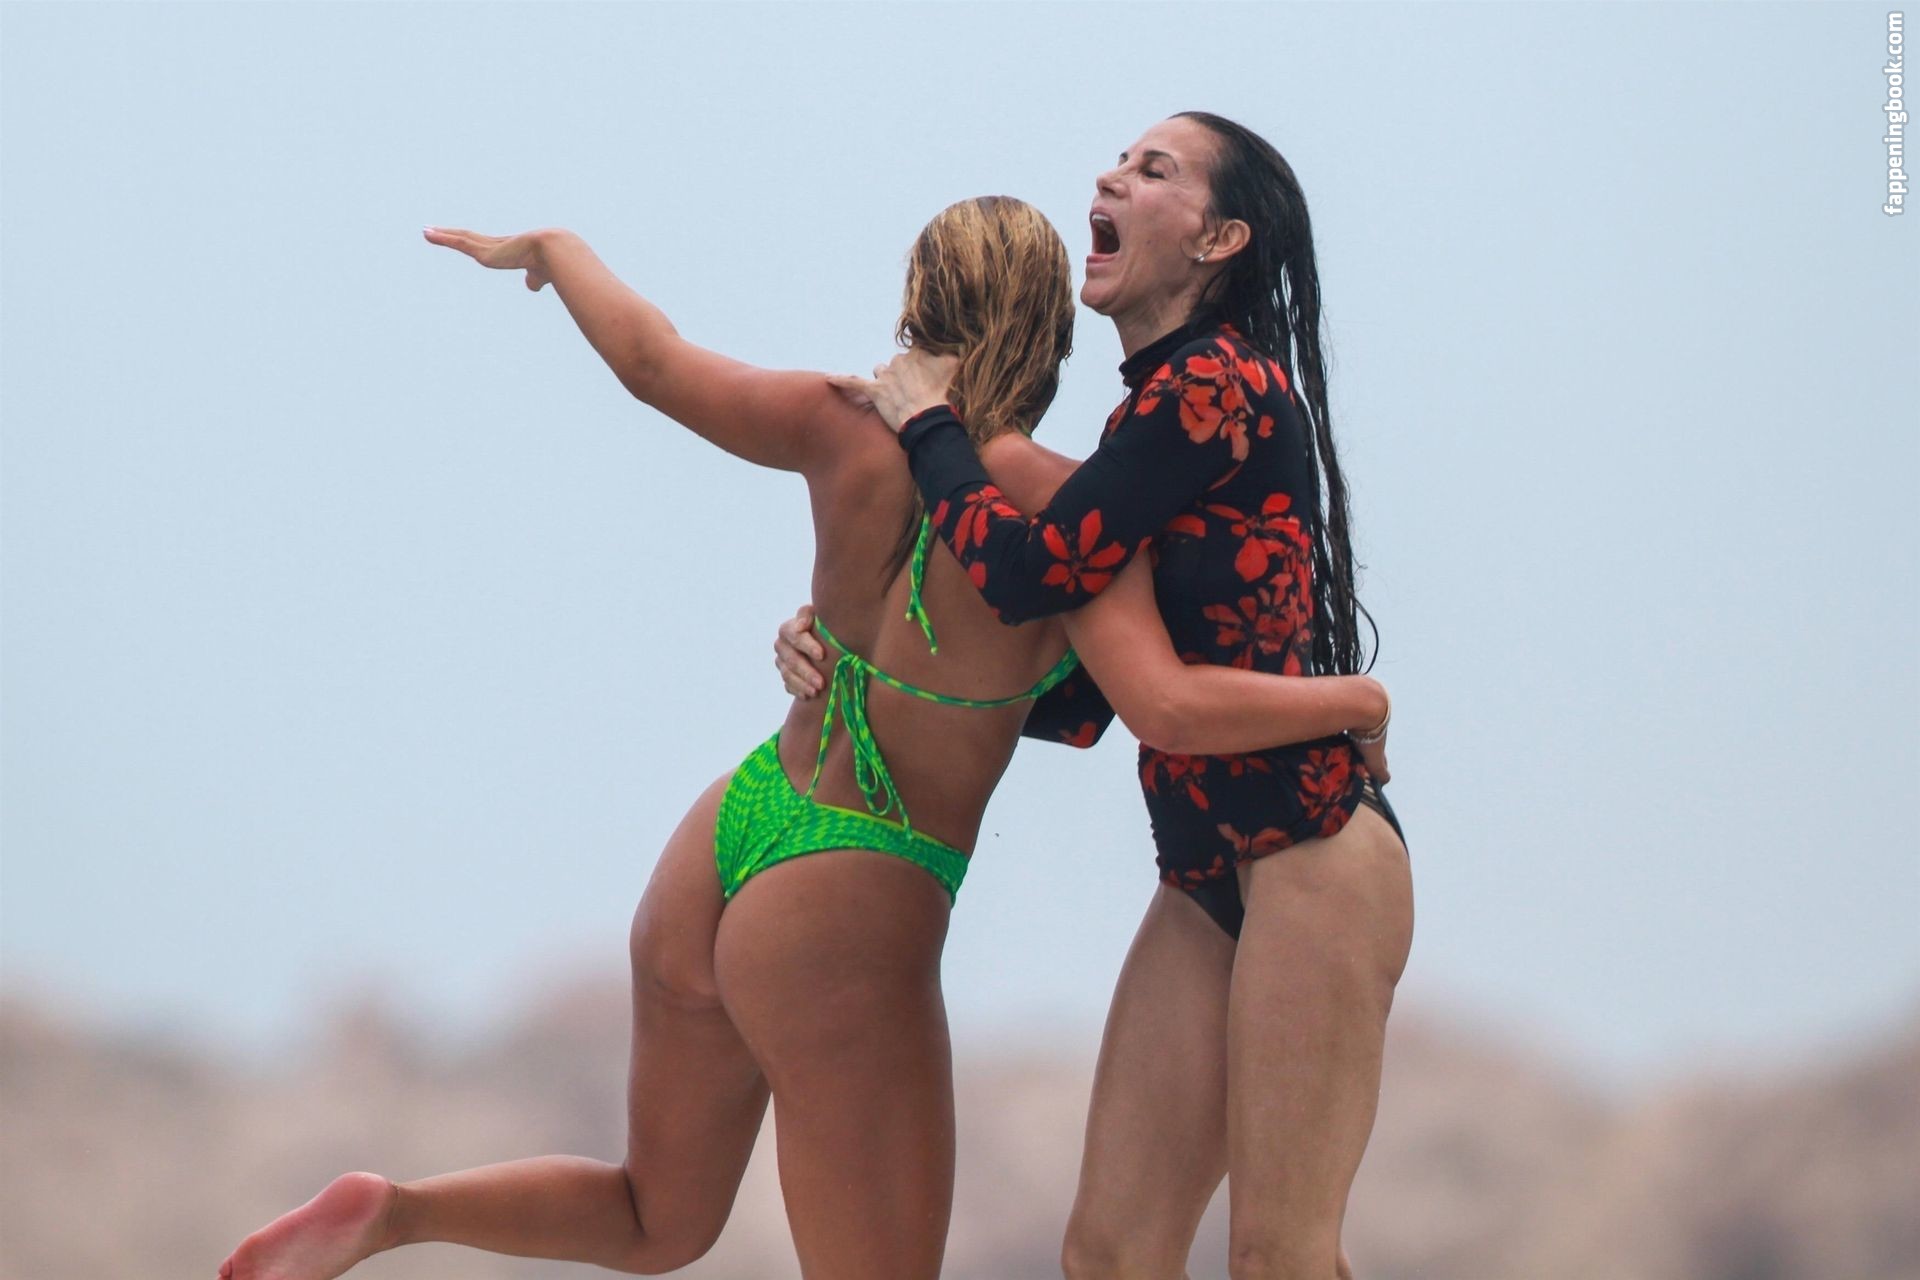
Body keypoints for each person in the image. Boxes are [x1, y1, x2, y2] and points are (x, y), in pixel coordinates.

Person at [217, 195, 1392, 1280]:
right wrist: (1353, 701)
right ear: (1051, 332)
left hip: (731, 828)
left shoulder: (836, 423)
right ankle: (391, 1216)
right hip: (852, 888)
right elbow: (1162, 698)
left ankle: (396, 1209)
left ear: (917, 298)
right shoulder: (1060, 506)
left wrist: (558, 252)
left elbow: (651, 359)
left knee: (656, 1215)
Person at [781, 112, 1413, 1279]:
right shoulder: (1150, 414)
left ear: (1219, 239)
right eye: (1119, 160)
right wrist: (857, 660)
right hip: (1206, 865)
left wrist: (929, 427)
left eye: (1151, 170)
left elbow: (1035, 574)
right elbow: (1081, 700)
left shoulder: (1214, 383)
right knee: (1112, 1253)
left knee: (1279, 1255)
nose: (1110, 176)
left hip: (1314, 846)